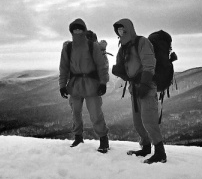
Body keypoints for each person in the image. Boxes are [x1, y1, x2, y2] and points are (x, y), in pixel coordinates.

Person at [111, 18, 167, 164]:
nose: (120, 32)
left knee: (149, 120)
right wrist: (118, 71)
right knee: (138, 122)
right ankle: (146, 147)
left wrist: (145, 84)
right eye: (118, 30)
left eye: (123, 29)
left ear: (129, 28)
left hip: (147, 86)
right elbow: (124, 67)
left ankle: (160, 152)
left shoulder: (142, 42)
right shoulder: (123, 47)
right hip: (134, 88)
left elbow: (149, 64)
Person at [59, 18, 110, 153]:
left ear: (84, 30)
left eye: (79, 29)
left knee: (95, 113)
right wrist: (62, 85)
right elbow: (63, 68)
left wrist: (103, 83)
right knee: (75, 112)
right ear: (71, 31)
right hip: (75, 84)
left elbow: (101, 66)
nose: (77, 31)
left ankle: (103, 139)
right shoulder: (68, 48)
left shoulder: (92, 46)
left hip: (91, 84)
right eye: (74, 29)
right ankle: (78, 137)